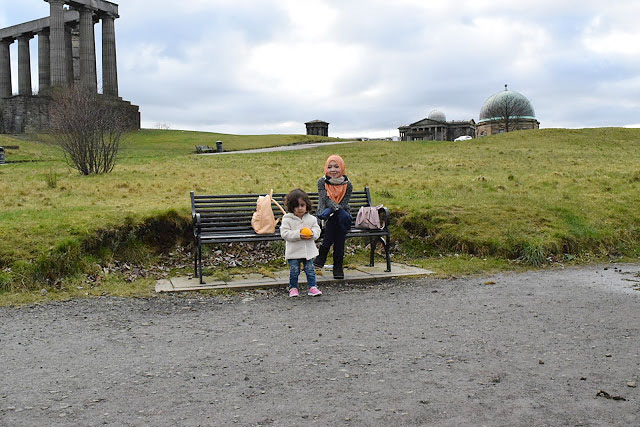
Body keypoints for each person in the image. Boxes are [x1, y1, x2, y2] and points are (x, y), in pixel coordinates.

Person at [315, 154, 352, 279]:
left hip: (342, 216)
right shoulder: (321, 182)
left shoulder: (348, 184)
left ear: (342, 168)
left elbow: (344, 203)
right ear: (326, 168)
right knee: (336, 225)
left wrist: (336, 209)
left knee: (337, 220)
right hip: (326, 216)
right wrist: (335, 209)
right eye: (330, 167)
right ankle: (337, 267)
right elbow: (324, 200)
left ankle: (322, 255)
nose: (333, 170)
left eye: (336, 166)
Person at [280, 189, 323, 297]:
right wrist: (298, 234)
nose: (299, 208)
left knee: (310, 269)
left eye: (302, 205)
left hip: (308, 251)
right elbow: (284, 234)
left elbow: (318, 231)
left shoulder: (312, 219)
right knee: (294, 270)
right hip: (294, 252)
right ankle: (293, 288)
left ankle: (313, 287)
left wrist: (312, 234)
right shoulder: (287, 219)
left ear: (307, 205)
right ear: (291, 207)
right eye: (296, 206)